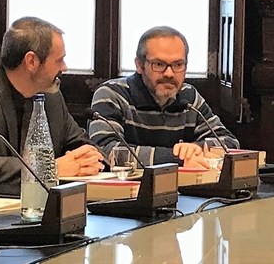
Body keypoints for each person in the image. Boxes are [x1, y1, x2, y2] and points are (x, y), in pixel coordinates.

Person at [0, 16, 104, 191]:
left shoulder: (52, 98)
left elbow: (81, 144)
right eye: (59, 60)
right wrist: (50, 169)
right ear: (31, 61)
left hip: (42, 206)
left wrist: (89, 159)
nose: (64, 67)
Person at [87, 26, 232, 172]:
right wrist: (176, 158)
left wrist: (196, 149)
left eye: (178, 65)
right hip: (124, 191)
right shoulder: (113, 94)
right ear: (139, 65)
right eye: (159, 64)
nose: (169, 73)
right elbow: (105, 150)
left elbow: (228, 142)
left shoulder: (189, 97)